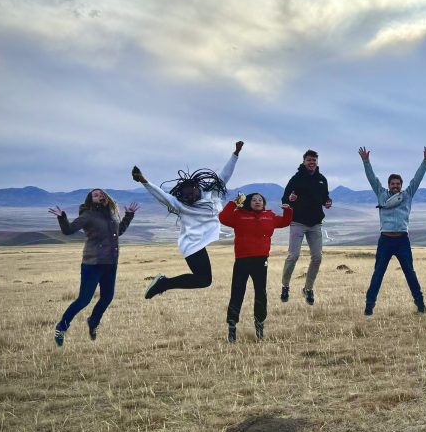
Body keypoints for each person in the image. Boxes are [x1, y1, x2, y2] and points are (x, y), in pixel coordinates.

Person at [132, 141, 242, 299]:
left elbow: (225, 175)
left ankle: (164, 283)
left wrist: (235, 154)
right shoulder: (180, 205)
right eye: (187, 196)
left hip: (201, 241)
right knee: (204, 280)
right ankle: (163, 283)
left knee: (204, 280)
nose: (191, 197)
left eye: (193, 193)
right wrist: (144, 181)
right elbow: (161, 196)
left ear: (198, 188)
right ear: (181, 196)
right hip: (191, 244)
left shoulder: (212, 193)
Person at [49, 190, 138, 346]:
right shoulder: (88, 215)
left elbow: (119, 231)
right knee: (84, 300)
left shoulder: (111, 215)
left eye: (101, 194)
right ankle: (62, 326)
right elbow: (68, 230)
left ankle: (93, 321)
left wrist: (128, 216)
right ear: (90, 200)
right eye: (95, 195)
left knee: (107, 297)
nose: (100, 196)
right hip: (93, 264)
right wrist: (62, 217)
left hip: (110, 263)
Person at [359, 146, 426, 316]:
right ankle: (369, 307)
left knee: (410, 273)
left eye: (398, 184)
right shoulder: (381, 194)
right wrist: (366, 161)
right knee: (378, 273)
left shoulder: (407, 195)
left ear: (401, 185)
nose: (395, 186)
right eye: (393, 184)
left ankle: (420, 304)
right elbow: (372, 179)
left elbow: (417, 179)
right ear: (389, 185)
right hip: (385, 240)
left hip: (402, 240)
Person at [218, 193, 293, 342]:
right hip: (242, 260)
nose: (257, 202)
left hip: (261, 260)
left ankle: (259, 326)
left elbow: (285, 221)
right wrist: (234, 203)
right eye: (254, 200)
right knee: (237, 293)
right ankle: (232, 328)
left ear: (264, 203)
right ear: (248, 202)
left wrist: (289, 210)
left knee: (261, 293)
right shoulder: (239, 215)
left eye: (260, 200)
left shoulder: (269, 216)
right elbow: (223, 218)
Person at [280, 150, 332, 305]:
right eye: (309, 160)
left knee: (317, 257)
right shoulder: (296, 179)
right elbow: (285, 198)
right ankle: (285, 285)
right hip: (298, 222)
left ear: (317, 162)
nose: (312, 162)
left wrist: (327, 202)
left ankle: (308, 288)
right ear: (304, 161)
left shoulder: (322, 179)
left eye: (314, 160)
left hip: (315, 223)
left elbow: (324, 198)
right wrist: (290, 199)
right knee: (293, 256)